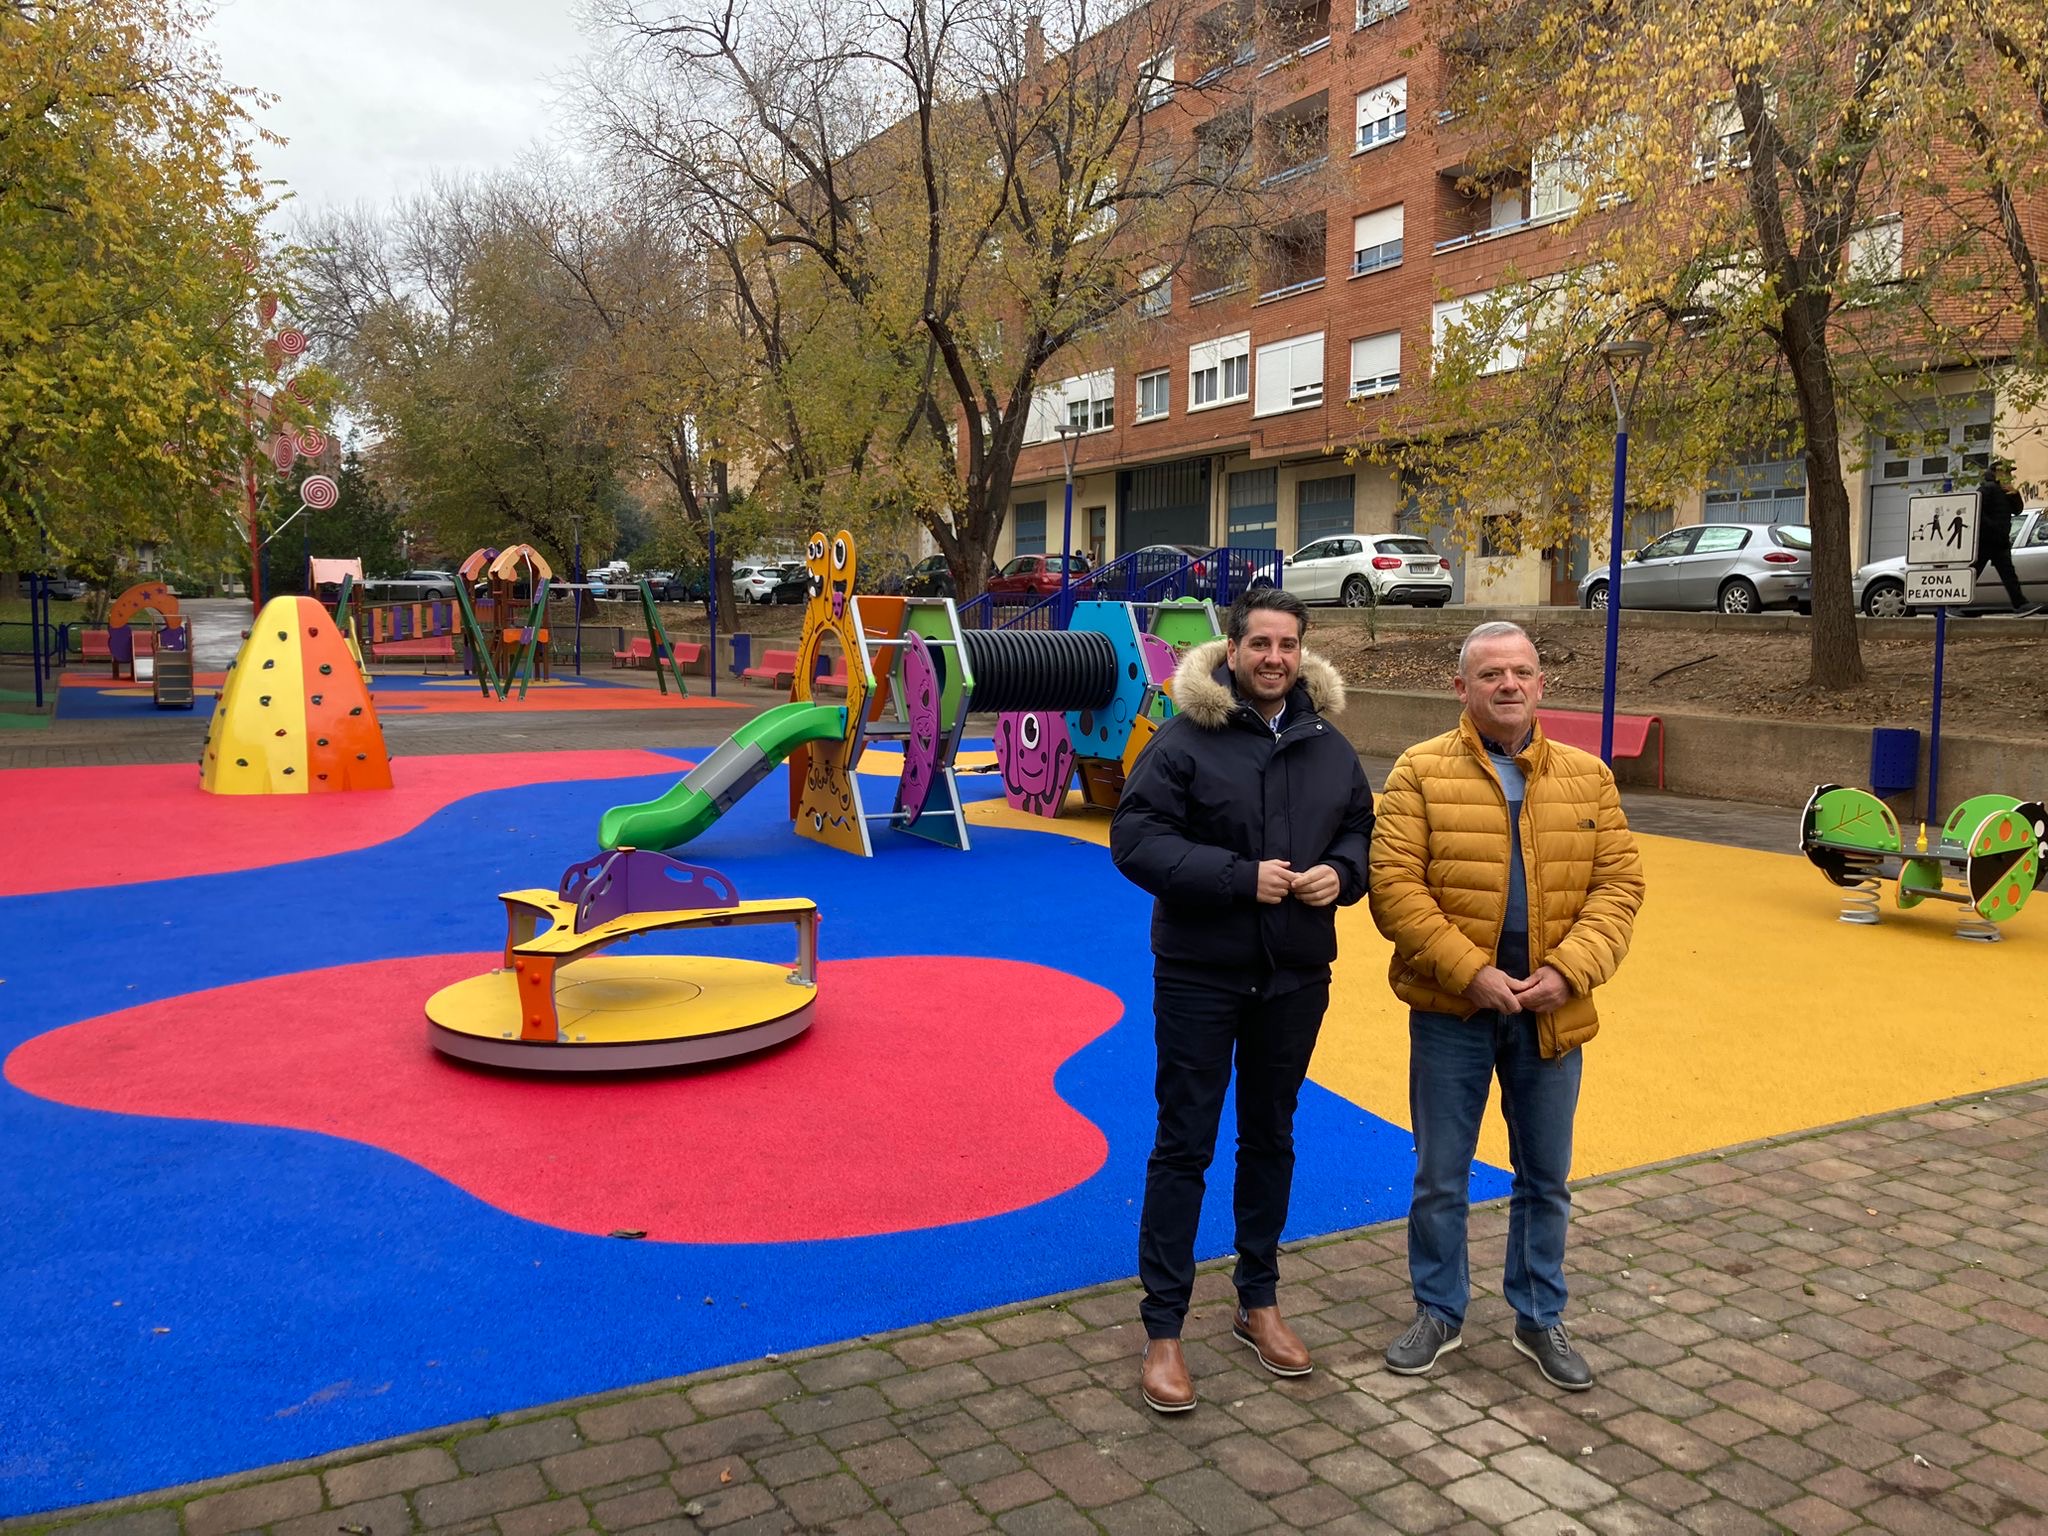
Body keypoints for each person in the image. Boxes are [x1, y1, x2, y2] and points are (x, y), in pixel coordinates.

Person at [1110, 587, 1375, 1414]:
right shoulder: (1185, 740)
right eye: (1259, 643)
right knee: (1184, 1143)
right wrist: (1236, 879)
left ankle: (1258, 1302)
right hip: (1200, 972)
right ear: (1231, 651)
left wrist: (1345, 872)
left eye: (1288, 644)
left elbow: (1361, 828)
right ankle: (1164, 1331)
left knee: (1271, 1137)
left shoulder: (1328, 744)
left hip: (1295, 974)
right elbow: (1137, 839)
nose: (1273, 658)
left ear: (1304, 653)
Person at [1369, 621, 1645, 1392]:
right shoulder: (1419, 772)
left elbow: (1618, 889)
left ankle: (1538, 1315)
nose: (1509, 685)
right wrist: (1469, 973)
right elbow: (1395, 889)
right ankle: (1438, 1310)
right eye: (1491, 674)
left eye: (1522, 671)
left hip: (1552, 1007)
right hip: (1454, 1008)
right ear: (1462, 687)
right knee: (1441, 1174)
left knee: (1545, 1175)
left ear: (1541, 684)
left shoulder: (1589, 777)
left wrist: (1569, 970)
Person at [1974, 460, 2033, 615]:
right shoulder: (1987, 488)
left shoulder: (2005, 490)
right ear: (1996, 473)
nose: (2009, 475)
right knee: (1973, 572)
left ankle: (2020, 604)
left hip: (2000, 542)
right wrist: (1993, 529)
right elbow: (1977, 512)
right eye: (2005, 472)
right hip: (1985, 541)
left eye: (2009, 473)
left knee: (2008, 574)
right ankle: (1952, 605)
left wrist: (2015, 494)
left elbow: (2017, 511)